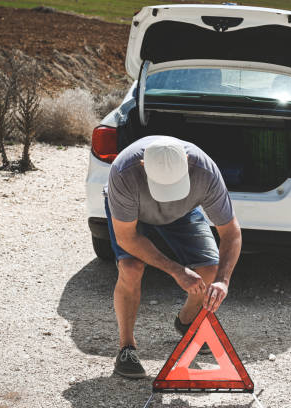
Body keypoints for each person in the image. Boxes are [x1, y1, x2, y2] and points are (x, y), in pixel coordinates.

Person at [103, 135, 242, 379]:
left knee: (209, 271)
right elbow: (127, 237)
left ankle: (187, 322)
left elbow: (231, 232)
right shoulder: (124, 171)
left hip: (183, 214)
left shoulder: (205, 171)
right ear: (143, 166)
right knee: (131, 268)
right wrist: (177, 270)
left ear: (187, 162)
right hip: (132, 215)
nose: (168, 195)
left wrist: (223, 281)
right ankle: (127, 348)